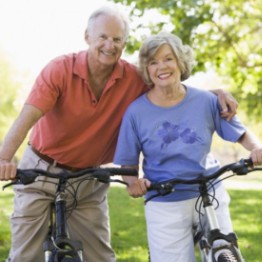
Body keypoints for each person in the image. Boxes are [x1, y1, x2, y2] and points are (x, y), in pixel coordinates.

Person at [0, 5, 238, 262]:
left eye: (117, 39)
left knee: (100, 256)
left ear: (124, 43)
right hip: (41, 170)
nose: (109, 45)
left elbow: (171, 87)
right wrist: (4, 158)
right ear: (87, 37)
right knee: (26, 254)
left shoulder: (133, 78)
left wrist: (213, 95)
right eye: (102, 37)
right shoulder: (60, 70)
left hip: (89, 177)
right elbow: (27, 118)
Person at [113, 31, 262, 262]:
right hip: (164, 198)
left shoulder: (207, 100)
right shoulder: (135, 113)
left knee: (225, 252)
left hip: (209, 189)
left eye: (168, 58)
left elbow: (240, 133)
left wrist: (256, 148)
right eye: (153, 62)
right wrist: (133, 183)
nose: (162, 66)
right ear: (147, 70)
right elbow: (128, 166)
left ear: (181, 62)